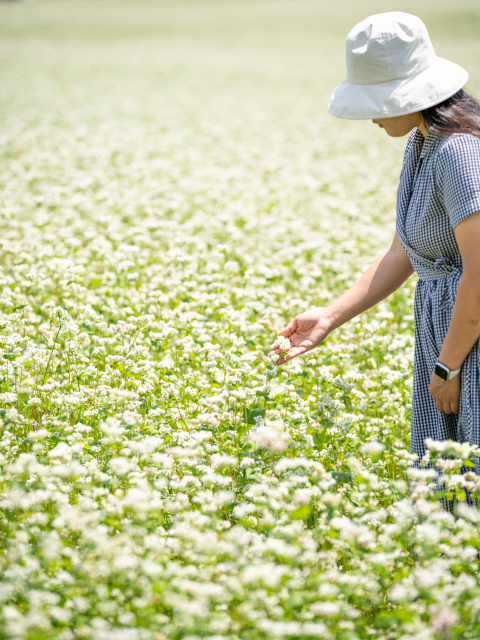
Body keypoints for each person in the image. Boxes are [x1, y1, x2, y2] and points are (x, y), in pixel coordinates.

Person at [269, 12, 480, 468]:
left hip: (468, 339)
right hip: (451, 336)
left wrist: (449, 365)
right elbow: (405, 249)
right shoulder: (424, 143)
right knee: (449, 483)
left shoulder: (459, 152)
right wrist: (328, 318)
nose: (370, 117)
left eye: (378, 101)